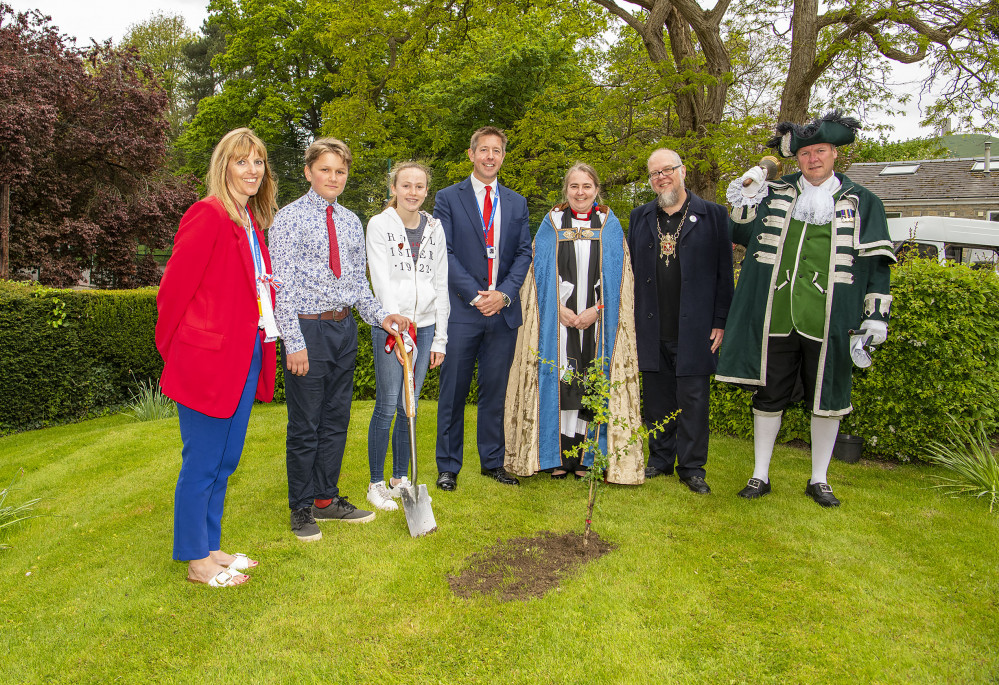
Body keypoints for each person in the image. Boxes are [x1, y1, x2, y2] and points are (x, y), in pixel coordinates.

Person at [717, 111, 895, 507]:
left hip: (832, 318)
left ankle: (819, 478)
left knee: (826, 398)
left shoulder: (864, 202)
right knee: (768, 395)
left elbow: (876, 268)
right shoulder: (775, 193)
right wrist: (747, 195)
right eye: (805, 153)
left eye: (820, 151)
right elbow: (738, 231)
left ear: (834, 154)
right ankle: (759, 474)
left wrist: (874, 317)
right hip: (776, 316)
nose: (812, 159)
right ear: (796, 159)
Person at [270, 138, 410, 540]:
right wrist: (293, 341)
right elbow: (282, 286)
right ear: (308, 172)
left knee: (335, 421)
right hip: (307, 330)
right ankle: (300, 509)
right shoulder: (288, 220)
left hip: (344, 330)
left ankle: (326, 500)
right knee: (305, 425)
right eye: (326, 169)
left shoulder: (350, 221)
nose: (334, 177)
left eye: (340, 171)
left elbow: (357, 286)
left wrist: (384, 318)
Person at [156, 127, 279, 587]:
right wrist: (177, 352)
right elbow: (173, 292)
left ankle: (211, 545)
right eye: (241, 161)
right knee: (202, 461)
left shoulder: (249, 222)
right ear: (223, 165)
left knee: (226, 460)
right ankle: (195, 560)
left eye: (258, 162)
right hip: (206, 360)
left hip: (244, 355)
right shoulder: (206, 215)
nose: (251, 170)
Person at [505, 163, 644, 483]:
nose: (580, 193)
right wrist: (558, 309)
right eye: (574, 187)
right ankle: (556, 456)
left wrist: (599, 309)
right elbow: (537, 273)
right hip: (560, 320)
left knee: (590, 383)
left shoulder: (608, 224)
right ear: (565, 190)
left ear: (596, 190)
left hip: (598, 321)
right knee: (562, 382)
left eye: (587, 187)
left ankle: (587, 457)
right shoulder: (551, 223)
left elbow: (620, 276)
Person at [628, 149, 734, 494]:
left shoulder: (714, 215)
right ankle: (660, 458)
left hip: (696, 326)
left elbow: (724, 273)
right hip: (652, 324)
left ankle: (691, 467)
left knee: (693, 401)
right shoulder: (641, 217)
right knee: (657, 400)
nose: (661, 177)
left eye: (667, 170)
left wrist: (720, 320)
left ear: (682, 171)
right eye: (654, 174)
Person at [434, 126, 533, 491]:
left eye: (497, 151)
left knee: (495, 392)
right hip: (463, 311)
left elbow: (524, 253)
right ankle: (448, 466)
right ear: (472, 154)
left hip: (502, 312)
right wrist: (476, 296)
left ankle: (493, 461)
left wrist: (503, 295)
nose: (490, 156)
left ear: (503, 156)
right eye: (484, 150)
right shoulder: (447, 198)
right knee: (453, 392)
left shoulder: (517, 202)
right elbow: (443, 253)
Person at [364, 161, 449, 511]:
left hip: (427, 325)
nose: (412, 192)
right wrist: (400, 330)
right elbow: (381, 281)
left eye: (419, 186)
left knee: (407, 406)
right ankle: (376, 483)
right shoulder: (379, 225)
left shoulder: (435, 228)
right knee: (386, 405)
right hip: (392, 326)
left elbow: (441, 283)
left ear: (426, 191)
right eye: (406, 186)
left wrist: (439, 337)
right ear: (393, 189)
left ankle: (400, 479)